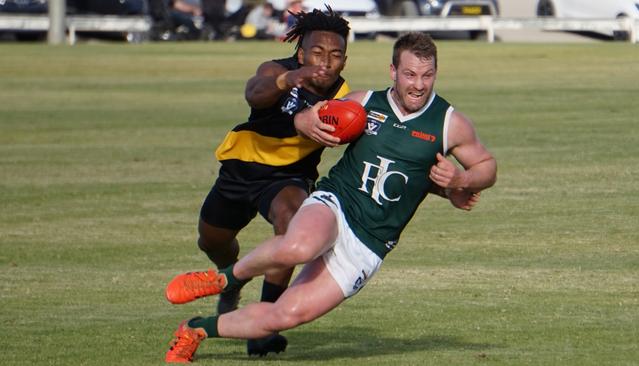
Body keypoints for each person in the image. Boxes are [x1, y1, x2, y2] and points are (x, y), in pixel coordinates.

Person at [164, 32, 497, 363]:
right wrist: (304, 119)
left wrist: (460, 180)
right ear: (393, 71)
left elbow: (486, 167)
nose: (418, 85)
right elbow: (312, 117)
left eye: (427, 75)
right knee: (299, 245)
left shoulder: (449, 123)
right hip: (336, 204)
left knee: (286, 315)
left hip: (368, 244)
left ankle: (196, 329)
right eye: (410, 74)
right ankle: (224, 278)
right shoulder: (364, 103)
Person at [164, 6, 352, 358]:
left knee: (291, 226)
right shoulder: (277, 70)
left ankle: (265, 323)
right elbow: (255, 92)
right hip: (241, 170)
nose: (325, 62)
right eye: (317, 52)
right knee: (212, 240)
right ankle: (231, 281)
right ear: (300, 53)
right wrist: (286, 81)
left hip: (288, 177)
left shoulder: (343, 96)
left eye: (335, 55)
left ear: (344, 61)